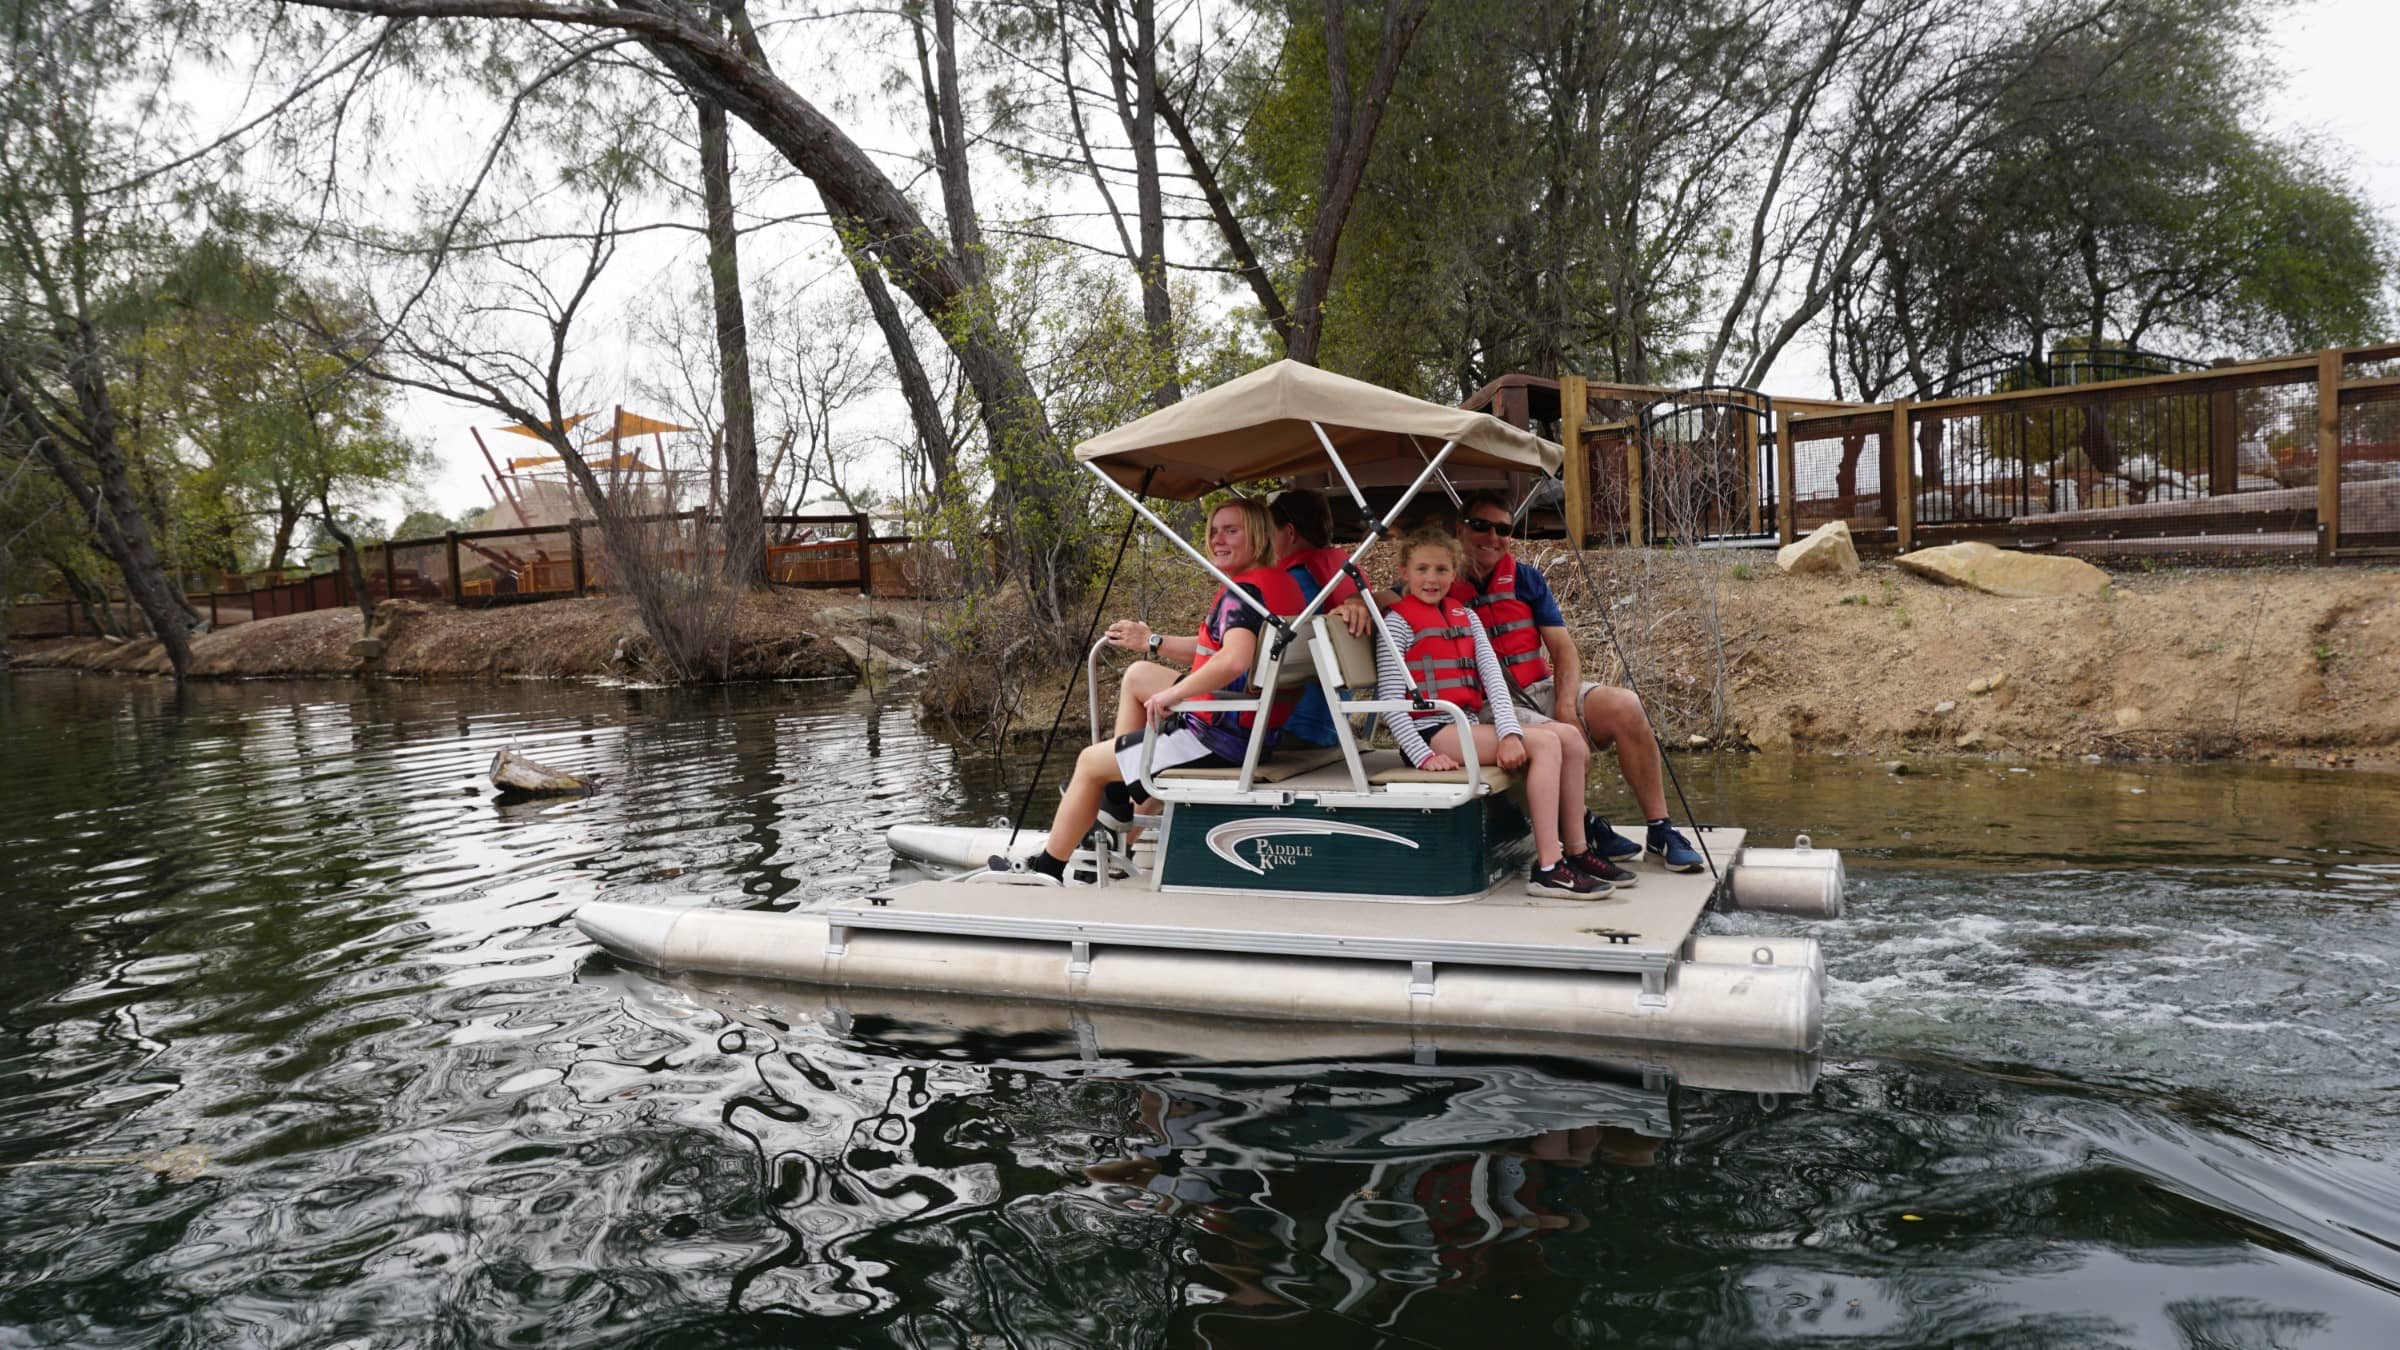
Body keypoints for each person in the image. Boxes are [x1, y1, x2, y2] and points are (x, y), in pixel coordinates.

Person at [990, 497, 1306, 885]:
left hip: (1219, 735)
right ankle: (1122, 796)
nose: (1218, 540)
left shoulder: (1242, 593)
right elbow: (1220, 649)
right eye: (1214, 531)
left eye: (1231, 530)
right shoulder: (1279, 583)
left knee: (1090, 764)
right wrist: (1152, 640)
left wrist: (1173, 696)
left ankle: (1048, 869)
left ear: (1257, 535)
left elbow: (1235, 660)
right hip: (1250, 724)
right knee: (1139, 674)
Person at [1448, 489, 1702, 874]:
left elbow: (1564, 653)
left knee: (1626, 706)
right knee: (1560, 738)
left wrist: (1566, 706)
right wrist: (1354, 604)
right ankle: (1582, 826)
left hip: (1540, 690)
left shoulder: (1527, 580)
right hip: (1490, 706)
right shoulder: (1437, 584)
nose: (1493, 538)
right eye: (1482, 526)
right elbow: (1393, 602)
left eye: (1504, 529)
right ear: (1460, 529)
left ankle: (1660, 828)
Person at [1375, 527, 1611, 899]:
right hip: (1430, 734)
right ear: (1404, 573)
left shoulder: (1466, 617)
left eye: (1441, 570)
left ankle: (1577, 852)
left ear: (1454, 575)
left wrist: (1510, 733)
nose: (1431, 579)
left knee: (1571, 739)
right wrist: (1423, 757)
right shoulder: (1397, 624)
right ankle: (1549, 868)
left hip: (1465, 725)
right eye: (1421, 569)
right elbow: (1391, 701)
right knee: (1547, 746)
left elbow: (1494, 684)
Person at [1266, 488, 1372, 748]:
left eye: (1269, 532)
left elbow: (1240, 655)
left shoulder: (1293, 583)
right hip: (1331, 726)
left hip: (1292, 730)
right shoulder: (1343, 577)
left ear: (1289, 533)